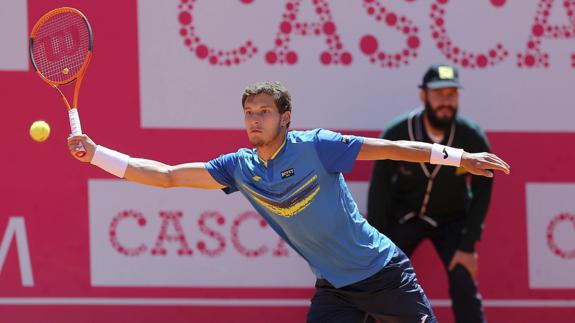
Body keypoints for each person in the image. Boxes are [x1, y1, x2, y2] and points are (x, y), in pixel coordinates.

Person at [68, 81, 509, 323]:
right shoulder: (239, 167)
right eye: (248, 113)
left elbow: (394, 148)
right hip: (334, 288)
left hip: (384, 275)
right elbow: (165, 176)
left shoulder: (319, 146)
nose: (254, 120)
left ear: (286, 117)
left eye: (263, 111)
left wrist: (460, 157)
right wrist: (98, 155)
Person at [367, 64, 494, 323]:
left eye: (451, 94)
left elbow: (483, 189)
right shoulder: (399, 132)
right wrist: (376, 242)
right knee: (375, 281)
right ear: (423, 96)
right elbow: (378, 190)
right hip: (404, 219)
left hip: (450, 220)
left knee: (463, 280)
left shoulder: (470, 136)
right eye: (438, 94)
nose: (445, 101)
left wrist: (468, 244)